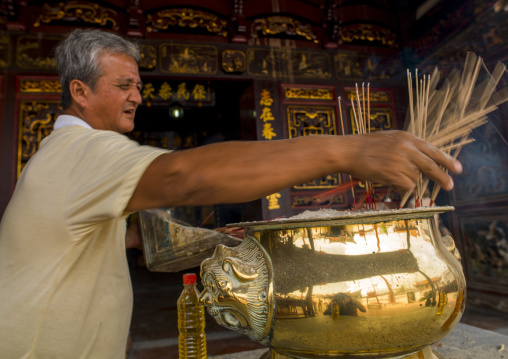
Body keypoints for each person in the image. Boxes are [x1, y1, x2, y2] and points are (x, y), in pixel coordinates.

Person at [0, 29, 462, 358]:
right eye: (123, 85)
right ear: (79, 92)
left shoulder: (65, 157)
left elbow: (113, 242)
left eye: (138, 85)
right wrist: (345, 149)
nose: (138, 96)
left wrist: (218, 238)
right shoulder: (81, 150)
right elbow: (182, 176)